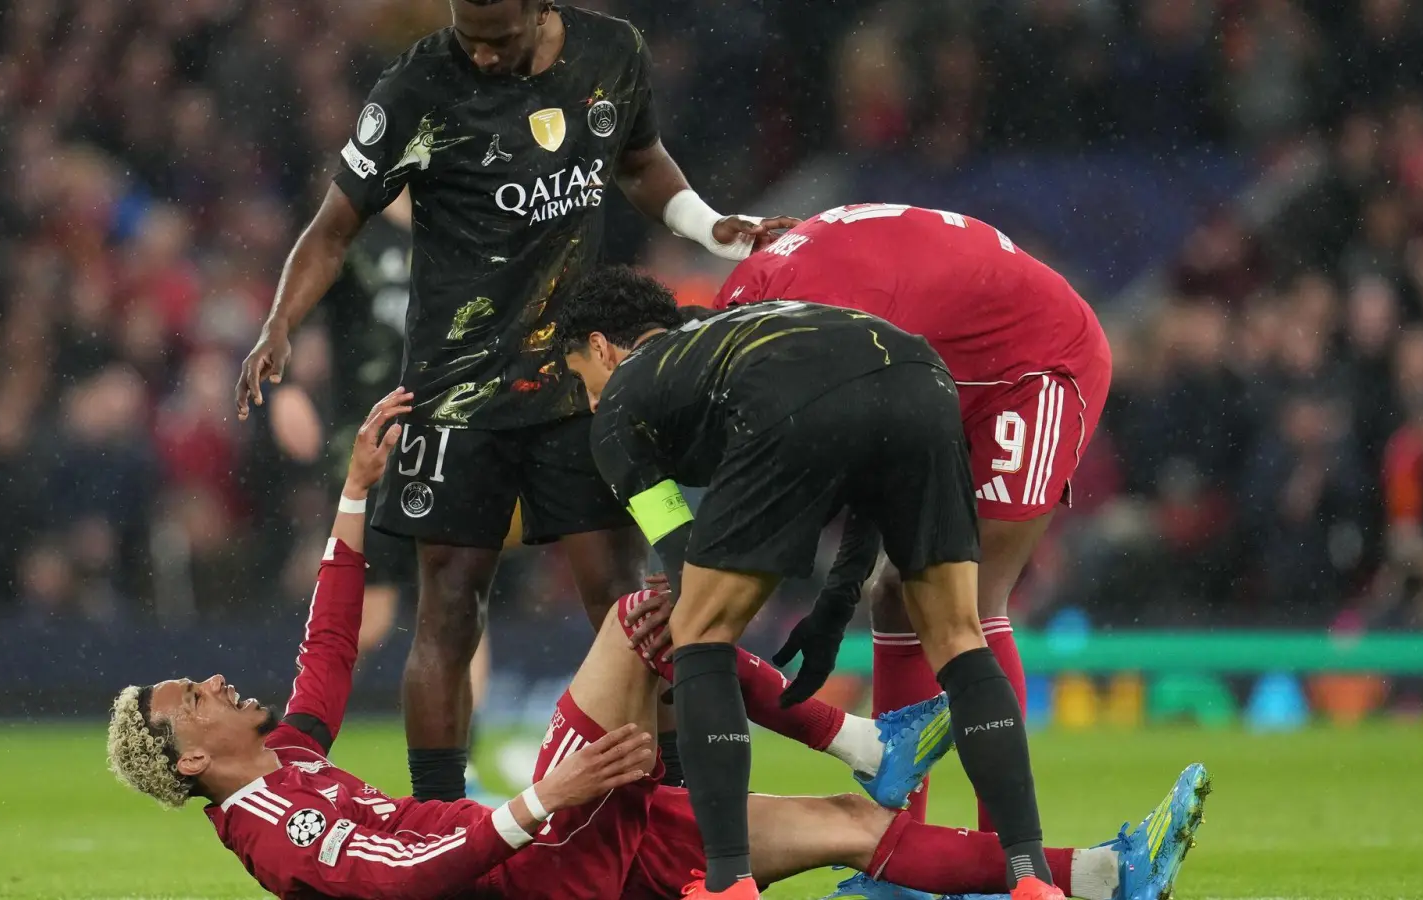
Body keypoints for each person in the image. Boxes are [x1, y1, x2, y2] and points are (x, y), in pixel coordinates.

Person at [106, 388, 1209, 900]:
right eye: (188, 699)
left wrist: (353, 499)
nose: (209, 682)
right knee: (651, 614)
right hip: (539, 861)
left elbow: (329, 652)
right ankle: (864, 736)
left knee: (845, 829)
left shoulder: (286, 758)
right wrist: (552, 792)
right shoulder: (274, 832)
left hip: (571, 847)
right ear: (192, 758)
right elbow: (407, 877)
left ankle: (1112, 872)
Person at [233, 0, 795, 803]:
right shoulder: (417, 87)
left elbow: (639, 162)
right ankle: (437, 815)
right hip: (455, 393)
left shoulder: (611, 52)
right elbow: (332, 227)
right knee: (449, 611)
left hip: (579, 380)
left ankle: (665, 806)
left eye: (498, 40)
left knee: (627, 598)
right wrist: (279, 324)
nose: (484, 57)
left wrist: (715, 230)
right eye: (471, 38)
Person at [560, 269, 1060, 900]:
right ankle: (1032, 880)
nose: (590, 401)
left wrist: (697, 610)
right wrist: (838, 600)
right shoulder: (728, 331)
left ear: (603, 348)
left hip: (797, 394)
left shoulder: (622, 404)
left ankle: (727, 883)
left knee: (696, 633)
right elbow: (864, 456)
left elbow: (683, 561)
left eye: (583, 379)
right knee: (961, 639)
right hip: (920, 376)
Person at [709, 202, 1115, 832]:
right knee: (897, 594)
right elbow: (871, 463)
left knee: (967, 600)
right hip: (944, 369)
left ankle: (1001, 854)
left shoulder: (812, 332)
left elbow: (857, 446)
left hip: (1034, 364)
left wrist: (806, 590)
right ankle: (901, 848)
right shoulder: (756, 304)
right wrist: (839, 594)